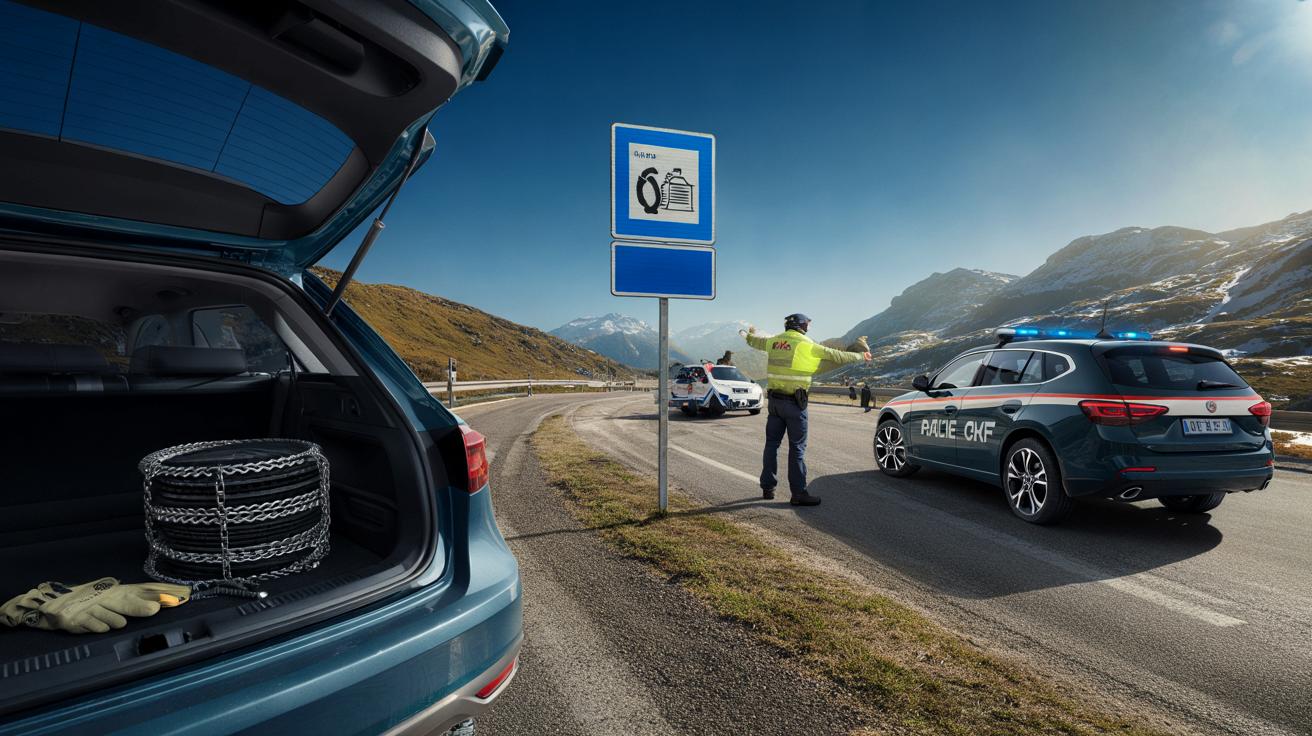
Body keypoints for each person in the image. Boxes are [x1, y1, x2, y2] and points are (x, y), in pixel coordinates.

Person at [742, 313, 871, 506]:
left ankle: (767, 488)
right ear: (802, 326)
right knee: (797, 449)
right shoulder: (807, 344)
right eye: (808, 325)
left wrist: (748, 334)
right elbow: (838, 355)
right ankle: (798, 494)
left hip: (775, 403)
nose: (809, 328)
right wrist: (861, 355)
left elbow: (755, 342)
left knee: (771, 445)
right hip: (795, 404)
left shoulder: (773, 342)